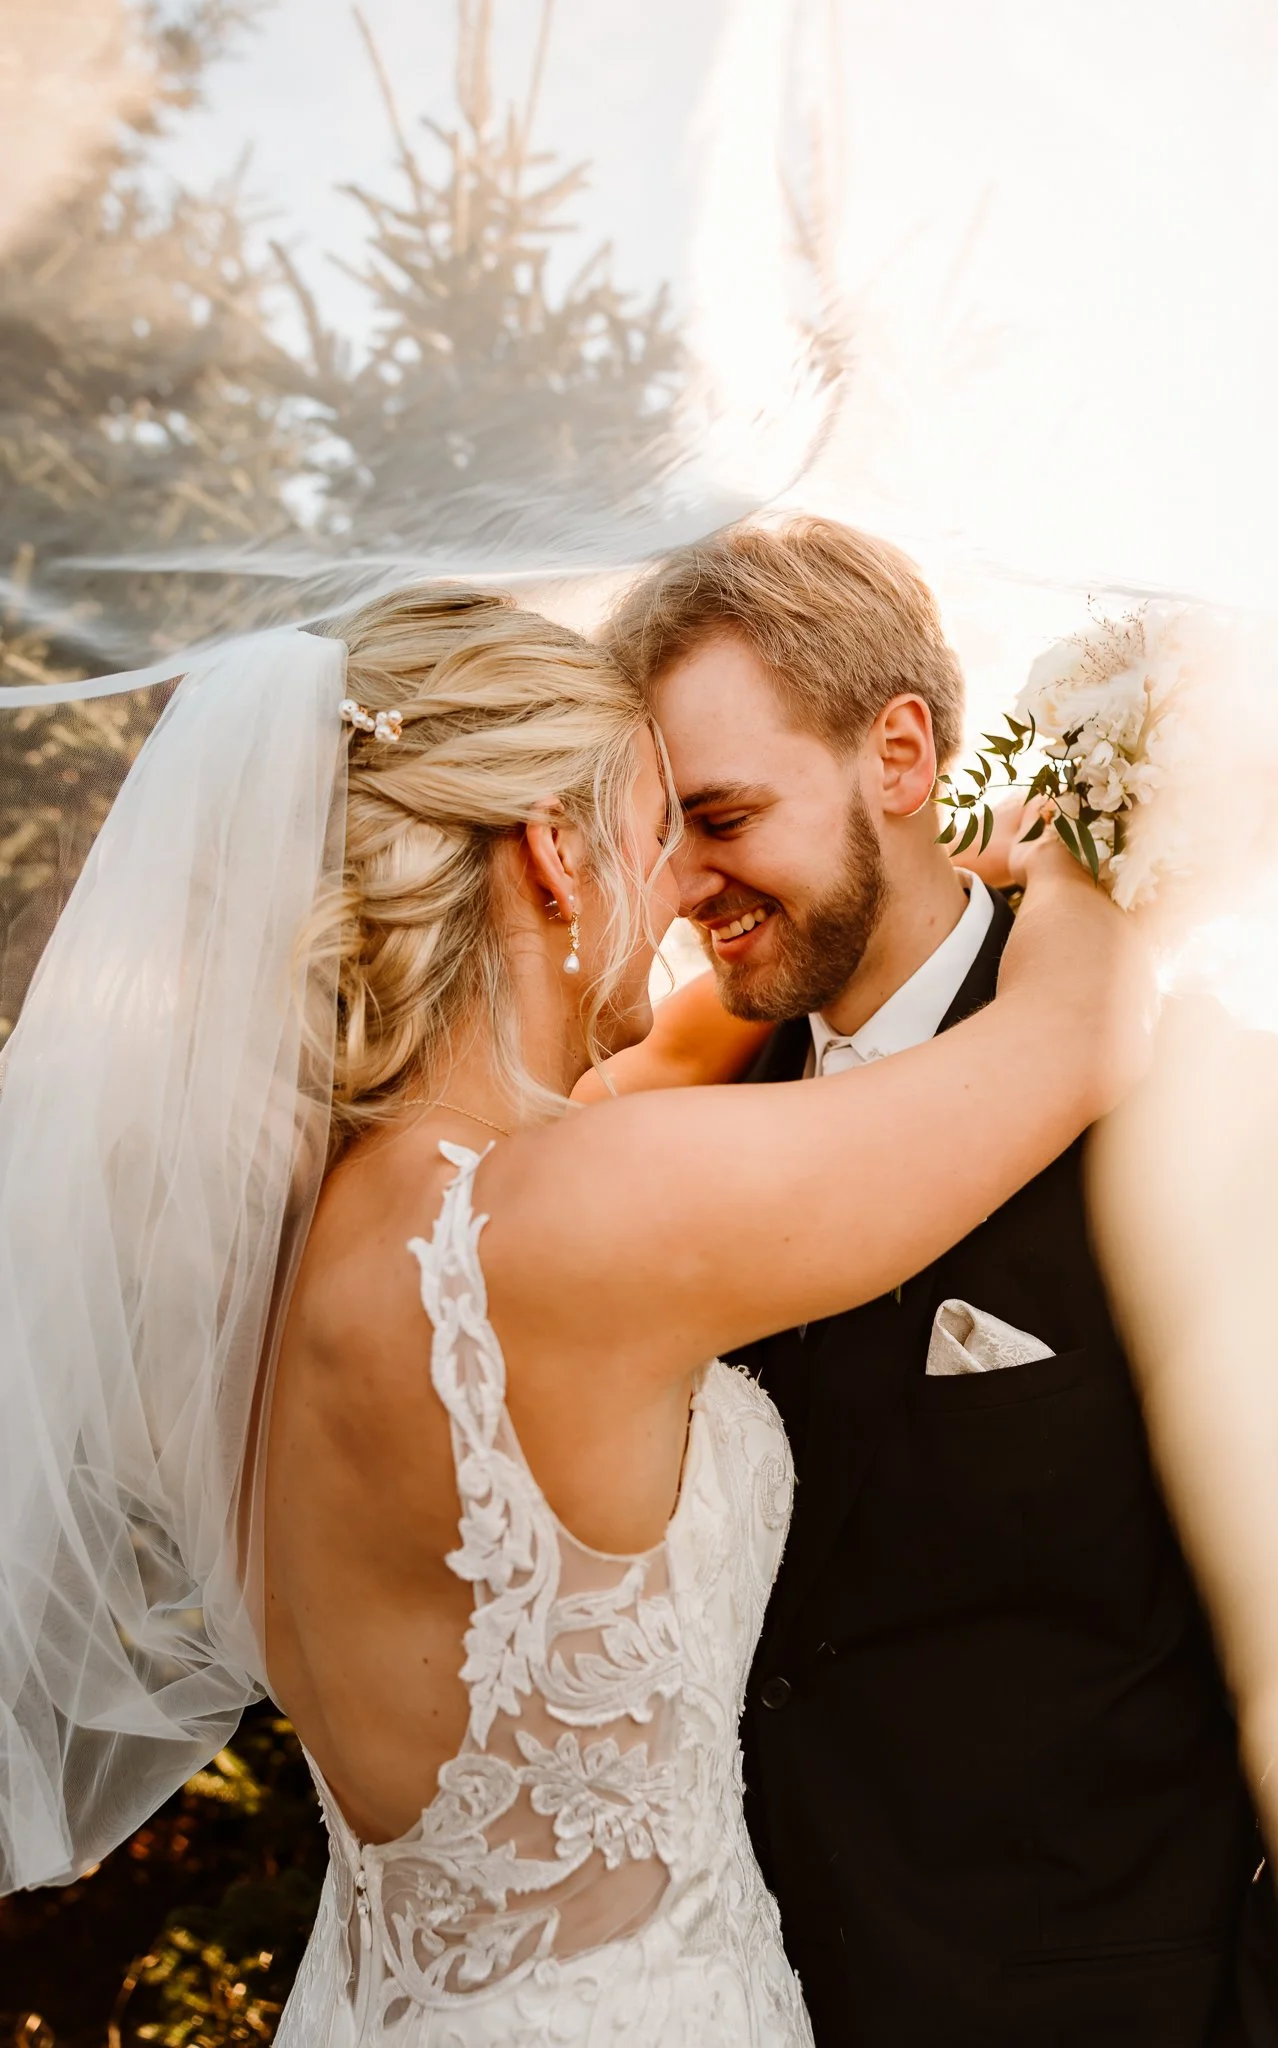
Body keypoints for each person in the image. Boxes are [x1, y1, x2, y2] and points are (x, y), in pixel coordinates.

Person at [0, 582, 1137, 2048]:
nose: (674, 894)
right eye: (655, 834)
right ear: (553, 851)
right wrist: (1086, 851)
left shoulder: (269, 1248)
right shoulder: (564, 1217)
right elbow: (1067, 1035)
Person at [599, 515, 1278, 2048]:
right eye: (654, 835)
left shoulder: (1208, 1103)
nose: (677, 890)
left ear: (903, 755)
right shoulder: (668, 1145)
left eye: (720, 816)